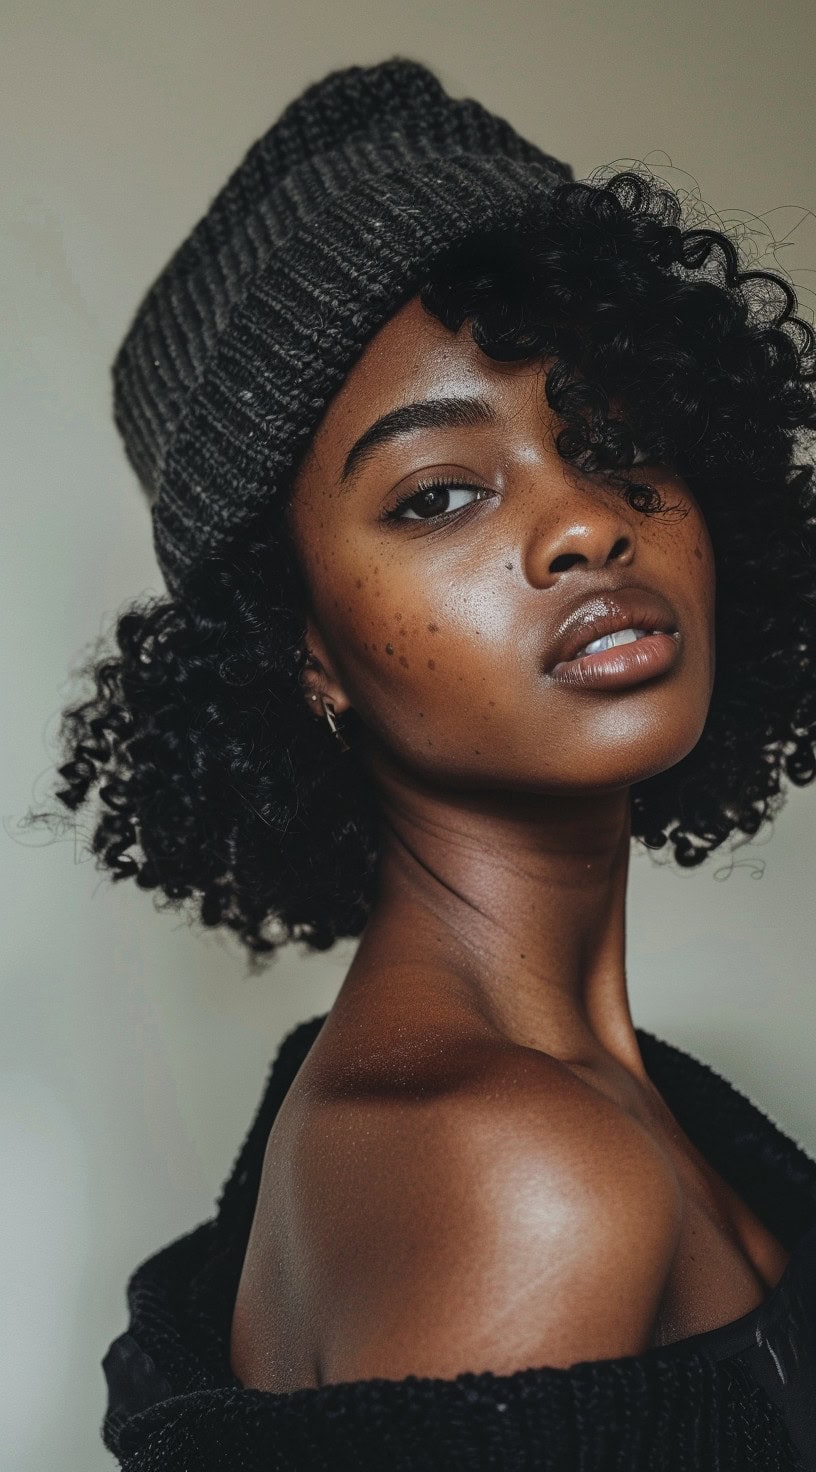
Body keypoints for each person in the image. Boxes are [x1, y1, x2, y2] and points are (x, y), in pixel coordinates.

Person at [48, 55, 816, 1469]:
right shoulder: (512, 1166)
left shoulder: (586, 1097)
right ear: (304, 650)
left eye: (613, 438)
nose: (586, 523)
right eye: (441, 494)